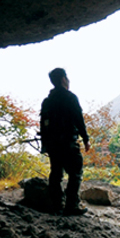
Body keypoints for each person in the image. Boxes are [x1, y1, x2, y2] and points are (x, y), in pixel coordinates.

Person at [40, 68, 90, 215]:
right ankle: (71, 205)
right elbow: (78, 120)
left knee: (56, 173)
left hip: (53, 144)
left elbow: (43, 124)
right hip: (68, 142)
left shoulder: (47, 101)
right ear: (63, 79)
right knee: (75, 173)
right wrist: (86, 139)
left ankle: (57, 205)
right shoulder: (70, 98)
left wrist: (45, 145)